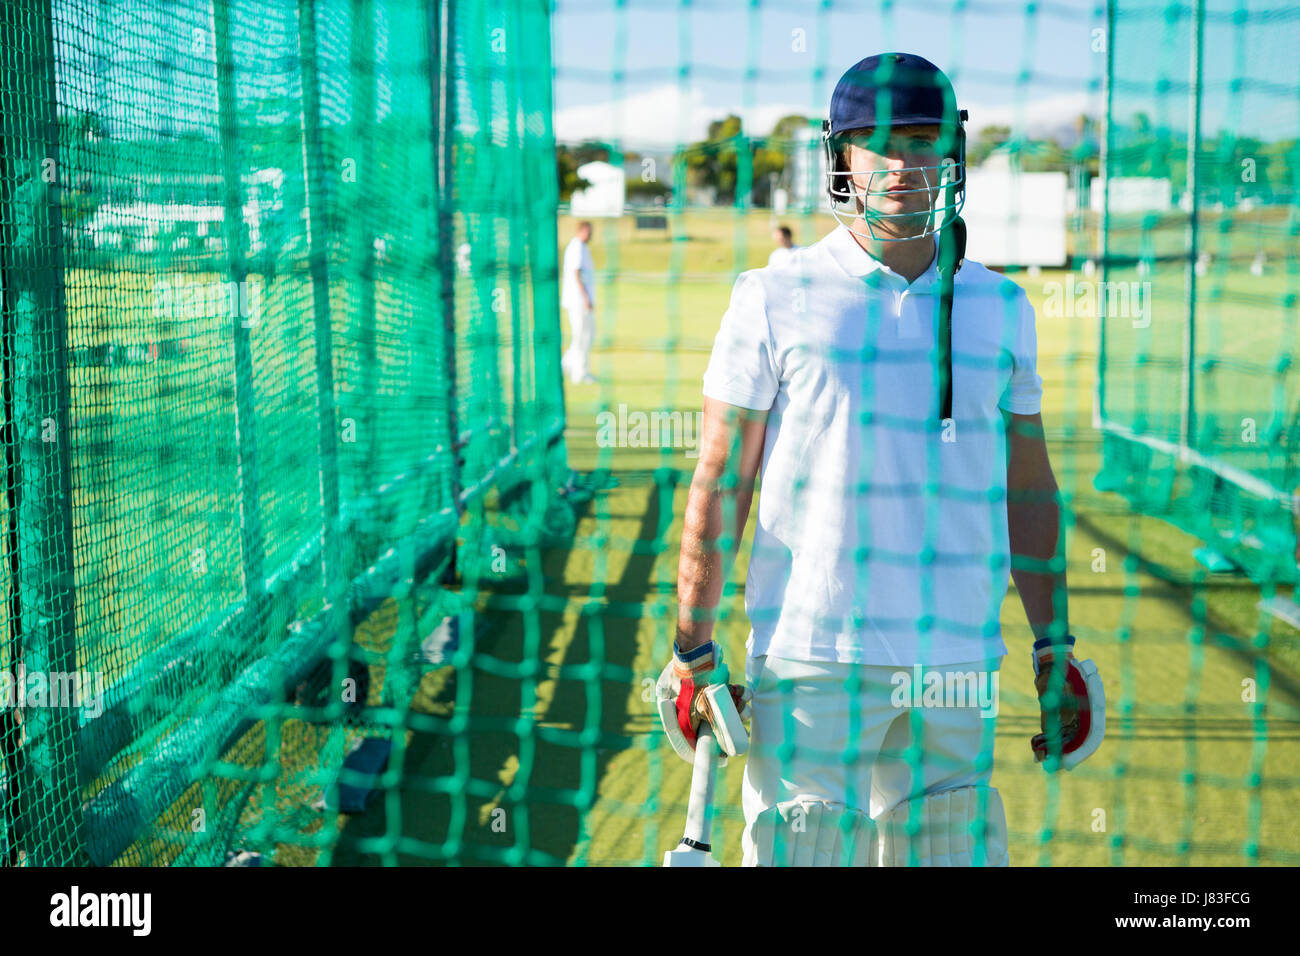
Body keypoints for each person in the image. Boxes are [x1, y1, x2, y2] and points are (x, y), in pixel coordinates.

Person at [657, 52, 1104, 866]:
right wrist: (692, 645)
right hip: (812, 656)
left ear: (953, 153)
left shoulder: (1002, 306)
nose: (904, 165)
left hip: (959, 662)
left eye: (925, 140)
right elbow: (722, 482)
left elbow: (1028, 490)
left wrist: (1054, 641)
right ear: (841, 157)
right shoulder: (772, 294)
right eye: (881, 143)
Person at [561, 221, 597, 385]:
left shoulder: (583, 247)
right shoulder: (576, 247)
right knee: (582, 336)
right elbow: (576, 273)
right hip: (578, 300)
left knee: (584, 336)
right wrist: (585, 297)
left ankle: (566, 365)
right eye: (589, 231)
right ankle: (579, 373)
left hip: (581, 299)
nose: (591, 235)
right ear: (582, 231)